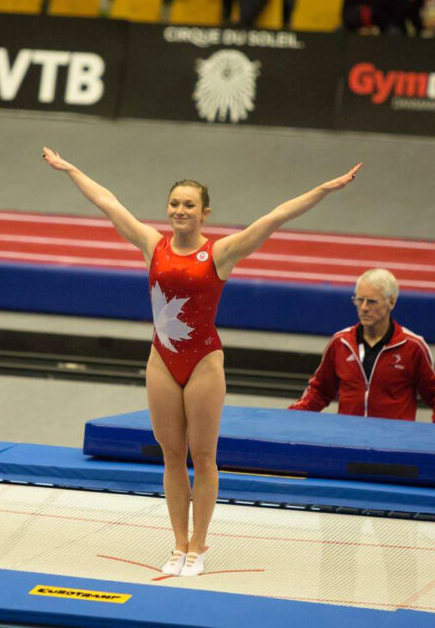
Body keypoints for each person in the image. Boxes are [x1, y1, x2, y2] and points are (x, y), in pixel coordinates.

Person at [43, 147, 360, 577]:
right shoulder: (151, 245)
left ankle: (198, 545)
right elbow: (108, 202)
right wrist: (70, 169)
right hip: (162, 361)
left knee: (203, 455)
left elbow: (276, 216)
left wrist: (325, 188)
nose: (179, 210)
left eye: (189, 205)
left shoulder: (220, 254)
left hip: (204, 362)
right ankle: (177, 543)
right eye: (174, 204)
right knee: (172, 455)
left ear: (204, 212)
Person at [289, 268, 435, 425]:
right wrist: (290, 417)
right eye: (359, 300)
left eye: (372, 302)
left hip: (393, 444)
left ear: (391, 302)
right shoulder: (340, 342)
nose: (364, 308)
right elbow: (319, 391)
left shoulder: (413, 346)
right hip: (348, 441)